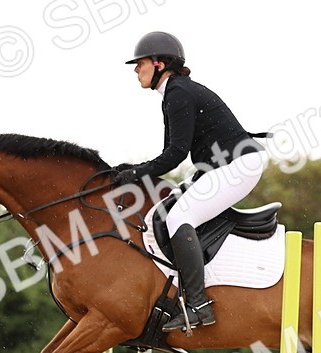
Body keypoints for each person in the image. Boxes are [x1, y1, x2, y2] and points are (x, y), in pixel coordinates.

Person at [112, 32, 268, 331]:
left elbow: (174, 155)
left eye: (140, 63)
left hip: (239, 164)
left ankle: (198, 304)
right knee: (171, 209)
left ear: (159, 64)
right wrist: (134, 169)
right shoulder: (174, 93)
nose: (136, 69)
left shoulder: (178, 93)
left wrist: (134, 173)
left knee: (179, 216)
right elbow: (171, 153)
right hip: (222, 165)